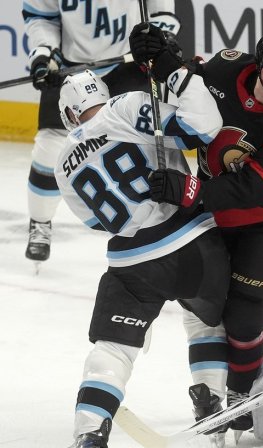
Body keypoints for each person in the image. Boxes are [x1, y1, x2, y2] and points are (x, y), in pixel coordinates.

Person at [37, 46, 229, 448]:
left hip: (135, 262)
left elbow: (95, 221)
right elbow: (204, 126)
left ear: (69, 114)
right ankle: (212, 405)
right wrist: (180, 79)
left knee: (113, 350)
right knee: (206, 323)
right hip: (195, 242)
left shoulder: (63, 164)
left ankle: (89, 443)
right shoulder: (126, 106)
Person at [143, 29, 263, 435]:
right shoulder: (225, 69)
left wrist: (191, 191)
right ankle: (218, 384)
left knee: (242, 312)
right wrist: (160, 58)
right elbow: (183, 86)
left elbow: (255, 189)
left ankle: (242, 396)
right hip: (212, 214)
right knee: (203, 302)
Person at [21, 0, 179, 264]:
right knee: (50, 147)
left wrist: (160, 38)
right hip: (72, 68)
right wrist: (45, 53)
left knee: (149, 142)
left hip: (128, 62)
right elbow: (41, 17)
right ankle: (40, 221)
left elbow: (161, 9)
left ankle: (167, 221)